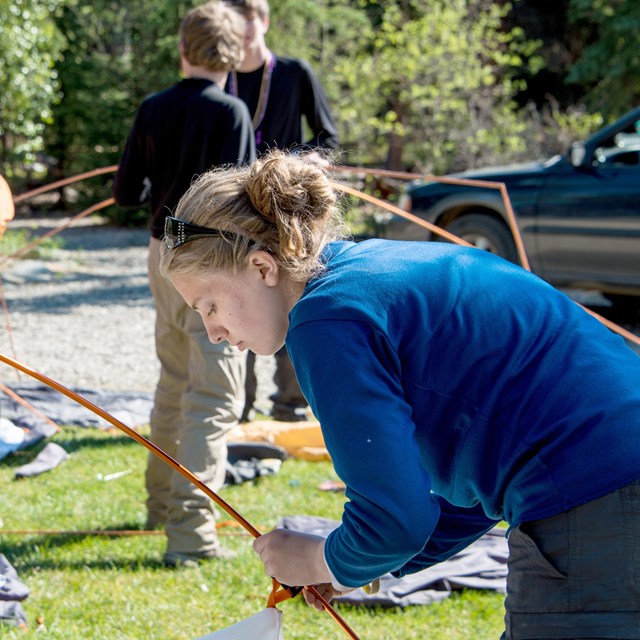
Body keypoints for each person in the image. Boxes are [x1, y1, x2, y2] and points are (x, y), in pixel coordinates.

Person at [159, 150, 640, 638]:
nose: (213, 331)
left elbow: (395, 518)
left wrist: (316, 557)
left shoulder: (326, 321)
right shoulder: (367, 271)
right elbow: (469, 486)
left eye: (210, 305)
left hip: (593, 495)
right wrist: (357, 563)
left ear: (262, 267)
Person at [112, 1, 256, 567]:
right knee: (214, 396)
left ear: (182, 50)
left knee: (174, 380)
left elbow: (125, 193)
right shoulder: (232, 115)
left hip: (161, 257)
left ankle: (161, 505)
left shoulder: (152, 109)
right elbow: (243, 206)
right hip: (212, 262)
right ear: (235, 54)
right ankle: (191, 536)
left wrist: (159, 189)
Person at [225, 0, 339, 423]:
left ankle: (291, 404)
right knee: (240, 298)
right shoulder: (222, 78)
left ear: (265, 21)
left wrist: (310, 161)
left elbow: (327, 136)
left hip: (286, 208)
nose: (243, 28)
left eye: (249, 18)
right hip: (236, 211)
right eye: (233, 21)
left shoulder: (294, 73)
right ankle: (239, 406)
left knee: (292, 297)